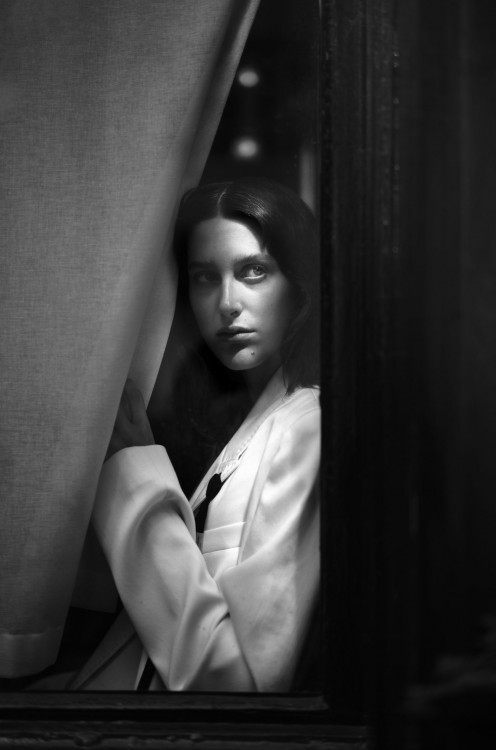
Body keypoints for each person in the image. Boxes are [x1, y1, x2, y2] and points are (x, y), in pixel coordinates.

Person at [69, 177, 321, 692]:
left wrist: (135, 480)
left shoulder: (309, 425)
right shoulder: (251, 419)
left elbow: (236, 682)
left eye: (254, 271)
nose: (227, 302)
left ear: (299, 285)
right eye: (205, 277)